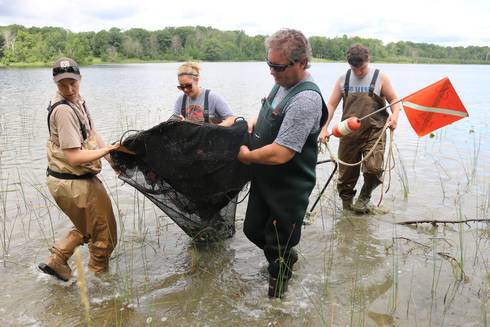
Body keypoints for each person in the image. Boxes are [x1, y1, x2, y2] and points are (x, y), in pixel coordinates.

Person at [237, 29, 327, 298]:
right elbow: (273, 115)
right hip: (266, 180)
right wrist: (256, 121)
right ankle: (288, 257)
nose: (272, 72)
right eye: (269, 64)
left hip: (289, 187)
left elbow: (282, 153)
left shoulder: (306, 99)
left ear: (301, 63)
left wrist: (247, 157)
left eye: (278, 66)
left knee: (277, 246)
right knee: (252, 230)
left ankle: (276, 303)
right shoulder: (281, 82)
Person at [38, 57, 120, 281]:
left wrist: (111, 159)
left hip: (64, 180)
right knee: (105, 235)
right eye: (62, 84)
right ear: (55, 83)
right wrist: (109, 150)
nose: (69, 89)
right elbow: (74, 157)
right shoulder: (63, 111)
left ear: (80, 78)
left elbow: (92, 133)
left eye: (73, 82)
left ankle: (56, 259)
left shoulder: (78, 100)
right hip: (73, 181)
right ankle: (98, 287)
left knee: (87, 226)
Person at [319, 44, 400, 214]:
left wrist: (395, 115)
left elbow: (394, 99)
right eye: (354, 68)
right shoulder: (343, 79)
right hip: (349, 134)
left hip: (374, 131)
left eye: (361, 68)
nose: (358, 72)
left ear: (368, 60)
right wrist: (324, 128)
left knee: (374, 168)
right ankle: (347, 209)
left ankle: (365, 195)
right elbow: (331, 105)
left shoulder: (380, 78)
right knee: (345, 177)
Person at [170, 62, 235, 126]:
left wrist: (214, 129)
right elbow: (173, 122)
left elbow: (231, 119)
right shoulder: (180, 100)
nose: (185, 90)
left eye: (188, 85)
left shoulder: (213, 97)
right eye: (181, 87)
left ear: (197, 80)